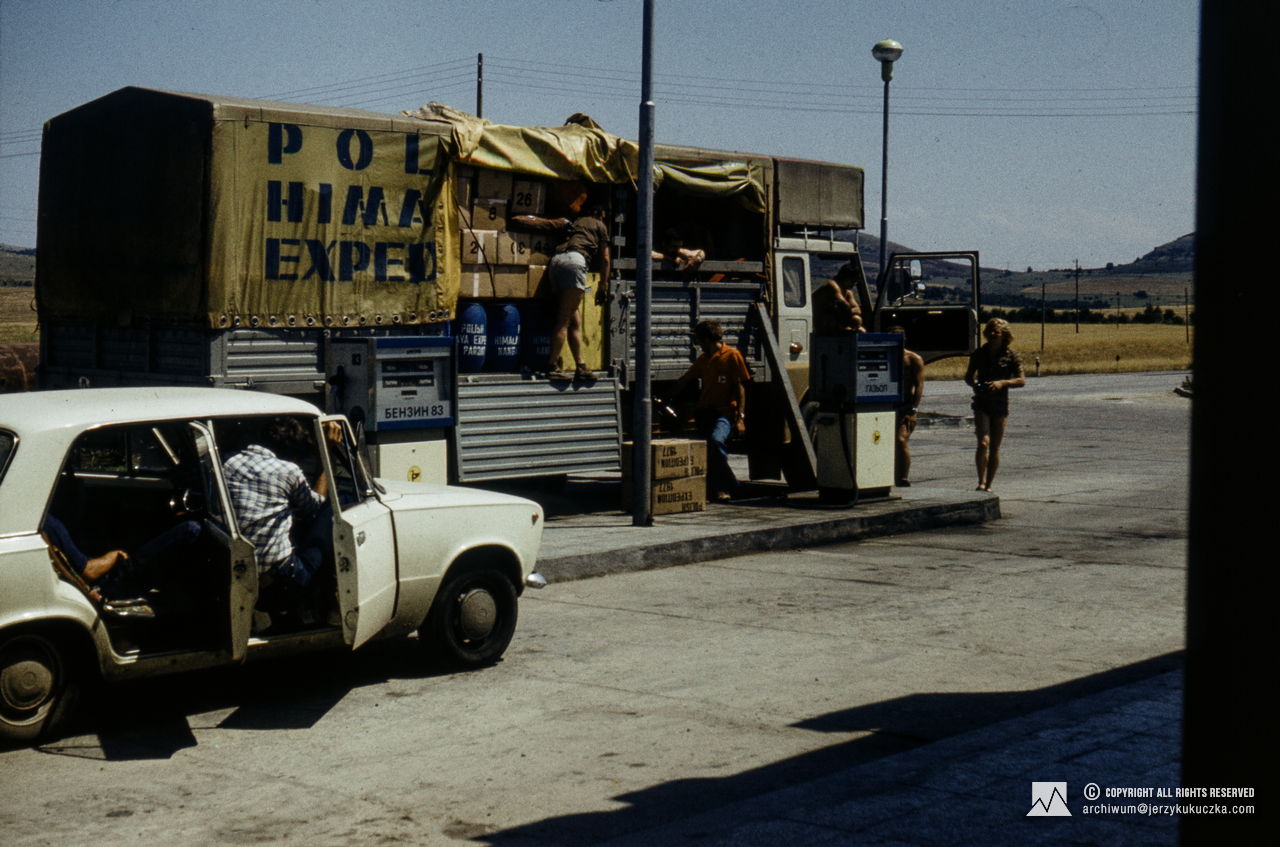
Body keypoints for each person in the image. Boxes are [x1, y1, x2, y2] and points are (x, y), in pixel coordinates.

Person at [221, 417, 342, 608]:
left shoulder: (228, 462)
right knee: (332, 508)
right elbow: (316, 507)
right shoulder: (288, 470)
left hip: (238, 577)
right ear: (290, 455)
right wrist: (326, 452)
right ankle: (329, 602)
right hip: (282, 582)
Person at [515, 203, 611, 381]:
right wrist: (603, 286)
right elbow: (605, 259)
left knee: (574, 320)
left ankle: (580, 366)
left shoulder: (574, 222)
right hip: (575, 262)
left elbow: (547, 224)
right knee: (564, 320)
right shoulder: (600, 225)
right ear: (599, 213)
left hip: (557, 262)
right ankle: (552, 366)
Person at [669, 319, 751, 501]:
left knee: (716, 441)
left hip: (724, 412)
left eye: (699, 340)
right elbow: (686, 378)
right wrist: (669, 396)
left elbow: (740, 387)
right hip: (704, 412)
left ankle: (730, 486)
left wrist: (740, 418)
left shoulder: (732, 356)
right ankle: (718, 489)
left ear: (707, 339)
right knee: (709, 452)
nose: (698, 345)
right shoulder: (704, 360)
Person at [41, 513, 201, 598]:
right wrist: (113, 555)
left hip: (105, 569)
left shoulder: (47, 520)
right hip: (111, 579)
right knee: (191, 529)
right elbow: (89, 572)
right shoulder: (50, 524)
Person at [964, 318, 1025, 492]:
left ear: (1004, 335)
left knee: (995, 446)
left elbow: (1021, 380)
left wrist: (1003, 383)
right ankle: (980, 481)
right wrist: (974, 384)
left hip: (1000, 403)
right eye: (989, 331)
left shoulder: (1012, 356)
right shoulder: (979, 353)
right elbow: (968, 376)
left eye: (996, 332)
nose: (992, 334)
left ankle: (989, 484)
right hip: (982, 401)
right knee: (983, 442)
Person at [889, 326, 926, 487]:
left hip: (905, 406)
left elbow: (919, 386)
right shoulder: (886, 356)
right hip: (887, 405)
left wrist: (913, 410)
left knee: (900, 439)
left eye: (900, 337)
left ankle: (903, 477)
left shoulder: (913, 359)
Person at [812, 262, 865, 335]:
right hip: (821, 328)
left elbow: (857, 310)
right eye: (853, 281)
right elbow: (844, 306)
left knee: (859, 325)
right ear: (845, 277)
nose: (854, 284)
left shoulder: (847, 292)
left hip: (837, 325)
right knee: (856, 320)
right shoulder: (832, 286)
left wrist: (850, 311)